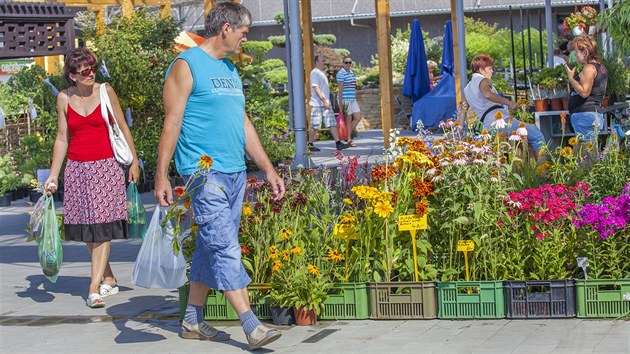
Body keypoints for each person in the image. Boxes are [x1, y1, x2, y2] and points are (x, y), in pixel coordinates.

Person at [155, 2, 285, 350]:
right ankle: (251, 324)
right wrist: (161, 175)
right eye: (244, 32)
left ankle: (192, 318)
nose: (246, 39)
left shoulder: (229, 70)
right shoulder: (186, 65)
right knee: (225, 245)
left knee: (211, 246)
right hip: (203, 171)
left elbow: (243, 123)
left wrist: (268, 169)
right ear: (226, 28)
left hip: (235, 171)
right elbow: (172, 122)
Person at [44, 47, 140, 308]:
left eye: (92, 68)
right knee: (89, 230)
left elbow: (122, 125)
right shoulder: (64, 98)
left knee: (103, 228)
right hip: (77, 169)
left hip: (106, 168)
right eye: (84, 70)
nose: (90, 73)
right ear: (72, 75)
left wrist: (133, 160)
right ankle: (108, 276)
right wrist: (54, 174)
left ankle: (93, 288)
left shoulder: (105, 91)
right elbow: (62, 138)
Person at [462, 54, 546, 158]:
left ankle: (529, 170)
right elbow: (487, 94)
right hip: (500, 121)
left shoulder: (466, 89)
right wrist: (509, 103)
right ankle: (542, 170)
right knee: (537, 136)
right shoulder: (483, 80)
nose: (492, 71)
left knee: (525, 142)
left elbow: (462, 109)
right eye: (490, 68)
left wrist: (458, 131)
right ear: (481, 69)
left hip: (487, 126)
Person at [565, 34, 607, 147]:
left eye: (577, 51)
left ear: (585, 52)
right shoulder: (600, 68)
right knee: (587, 150)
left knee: (585, 152)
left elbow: (584, 92)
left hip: (584, 114)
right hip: (592, 114)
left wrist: (571, 79)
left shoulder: (589, 68)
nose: (576, 55)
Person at [308, 55, 349, 151]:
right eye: (322, 60)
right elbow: (316, 87)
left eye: (324, 61)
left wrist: (326, 101)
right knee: (315, 125)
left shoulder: (321, 73)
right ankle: (310, 144)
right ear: (316, 62)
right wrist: (323, 100)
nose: (324, 62)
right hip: (318, 104)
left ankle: (338, 143)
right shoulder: (314, 73)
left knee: (331, 123)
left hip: (326, 103)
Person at [336, 56, 362, 147]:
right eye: (346, 62)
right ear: (343, 64)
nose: (348, 64)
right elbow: (340, 89)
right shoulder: (341, 73)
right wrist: (340, 103)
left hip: (352, 98)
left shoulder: (351, 72)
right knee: (348, 119)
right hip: (345, 99)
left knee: (358, 117)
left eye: (349, 62)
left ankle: (347, 135)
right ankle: (349, 139)